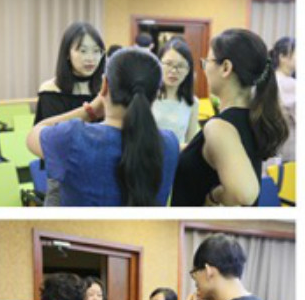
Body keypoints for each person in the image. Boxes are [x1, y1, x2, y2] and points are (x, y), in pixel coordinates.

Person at [27, 47, 179, 206]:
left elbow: (33, 134)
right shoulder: (169, 144)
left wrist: (90, 111)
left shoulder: (73, 138)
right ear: (156, 94)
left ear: (104, 85)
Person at [171, 29, 289, 206]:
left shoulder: (219, 127)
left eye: (207, 62)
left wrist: (215, 196)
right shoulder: (252, 118)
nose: (204, 69)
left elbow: (245, 194)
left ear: (226, 68)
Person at [34, 21, 106, 206]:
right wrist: (89, 112)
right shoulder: (51, 89)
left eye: (96, 51)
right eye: (83, 51)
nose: (90, 58)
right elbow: (50, 141)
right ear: (67, 53)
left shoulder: (106, 89)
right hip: (63, 182)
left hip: (102, 177)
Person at [152, 38, 200, 148]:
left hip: (178, 158)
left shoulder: (192, 103)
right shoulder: (147, 97)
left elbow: (190, 145)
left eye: (181, 66)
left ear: (188, 70)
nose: (174, 71)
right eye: (168, 64)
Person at [270, 36, 296, 163]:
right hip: (290, 149)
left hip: (275, 148)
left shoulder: (270, 79)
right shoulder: (290, 84)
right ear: (283, 57)